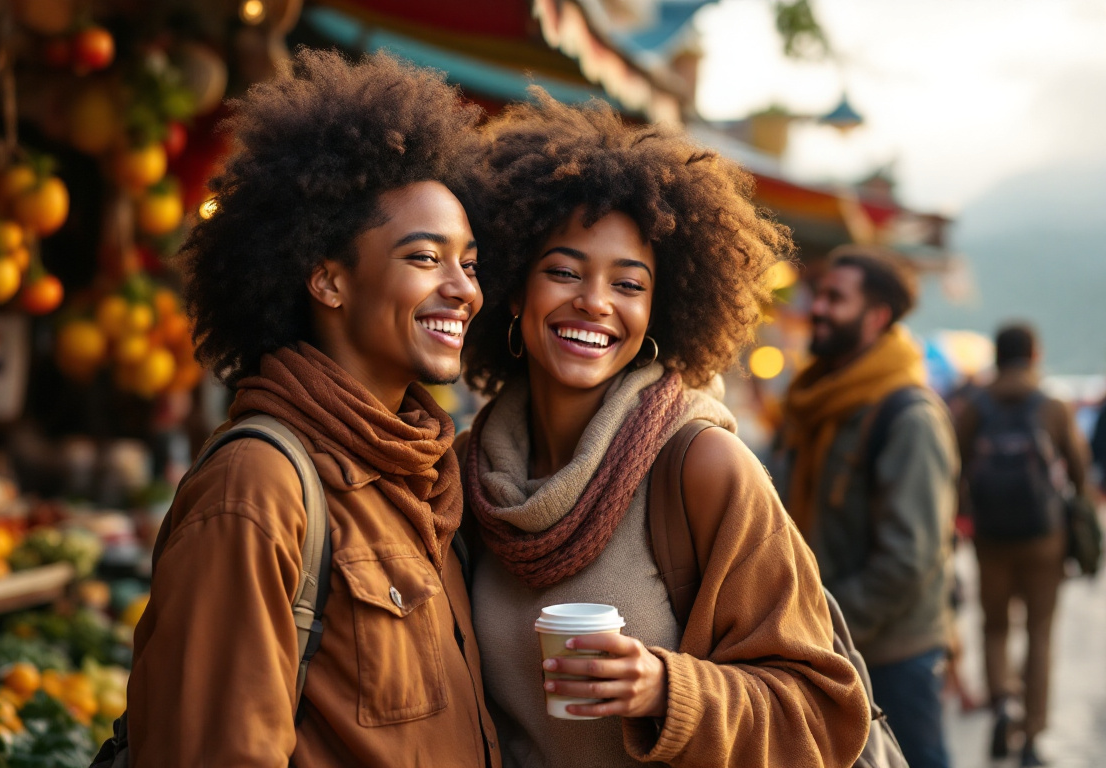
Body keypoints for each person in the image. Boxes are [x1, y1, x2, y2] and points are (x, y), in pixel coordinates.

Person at [458, 92, 871, 768]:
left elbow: (821, 710)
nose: (594, 302)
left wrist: (665, 688)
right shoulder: (469, 477)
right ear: (512, 289)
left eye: (629, 284)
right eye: (563, 271)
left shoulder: (703, 467)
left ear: (661, 310)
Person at [125, 50, 500, 766]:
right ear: (328, 280)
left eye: (471, 263)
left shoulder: (425, 479)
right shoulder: (258, 489)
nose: (464, 290)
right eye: (426, 259)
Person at [773, 249, 958, 768]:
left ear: (876, 318)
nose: (818, 308)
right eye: (820, 294)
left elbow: (908, 560)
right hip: (823, 650)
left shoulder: (910, 416)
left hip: (890, 656)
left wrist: (821, 629)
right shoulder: (811, 401)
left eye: (837, 298)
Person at [955, 323, 1092, 767]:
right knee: (1039, 633)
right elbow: (1078, 467)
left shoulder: (976, 405)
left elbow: (955, 464)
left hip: (991, 535)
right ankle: (1031, 734)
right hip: (1043, 537)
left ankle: (1003, 702)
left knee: (995, 626)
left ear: (997, 356)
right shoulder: (1051, 405)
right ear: (1034, 355)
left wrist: (965, 517)